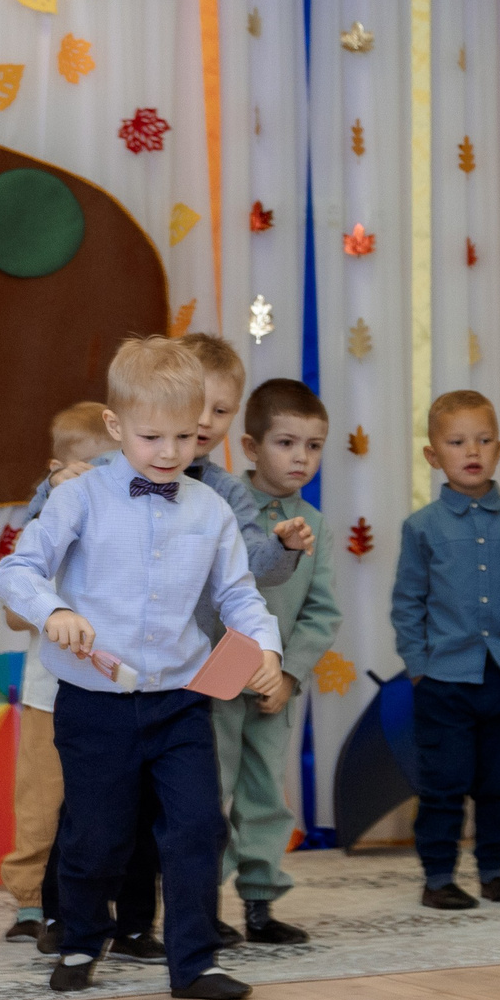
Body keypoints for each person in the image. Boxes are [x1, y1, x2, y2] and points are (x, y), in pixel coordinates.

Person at [0, 335, 285, 1000]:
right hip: (95, 701)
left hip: (181, 698)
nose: (170, 452)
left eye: (186, 436)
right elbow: (17, 570)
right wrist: (53, 610)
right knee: (98, 834)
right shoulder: (79, 498)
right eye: (153, 436)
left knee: (197, 826)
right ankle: (78, 938)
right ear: (116, 426)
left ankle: (195, 961)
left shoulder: (210, 510)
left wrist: (262, 649)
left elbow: (238, 593)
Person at [390, 391, 500, 909]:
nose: (472, 450)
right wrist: (419, 667)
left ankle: (493, 868)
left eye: (483, 440)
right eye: (457, 442)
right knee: (444, 782)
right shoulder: (421, 527)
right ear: (433, 455)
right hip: (445, 681)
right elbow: (407, 603)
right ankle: (438, 877)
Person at [211, 378, 339, 945]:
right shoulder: (216, 506)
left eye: (313, 446)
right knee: (210, 791)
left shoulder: (318, 525)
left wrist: (289, 673)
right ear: (249, 446)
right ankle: (202, 902)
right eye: (286, 443)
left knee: (266, 794)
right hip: (214, 678)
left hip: (275, 687)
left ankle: (260, 905)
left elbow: (322, 611)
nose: (301, 458)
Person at [0, 401, 112, 947]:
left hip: (108, 694)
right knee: (42, 803)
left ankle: (92, 898)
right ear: (57, 470)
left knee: (99, 807)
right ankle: (27, 900)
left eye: (114, 468)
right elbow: (15, 612)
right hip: (49, 696)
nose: (100, 483)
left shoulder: (126, 529)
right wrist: (56, 606)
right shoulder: (45, 525)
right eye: (88, 469)